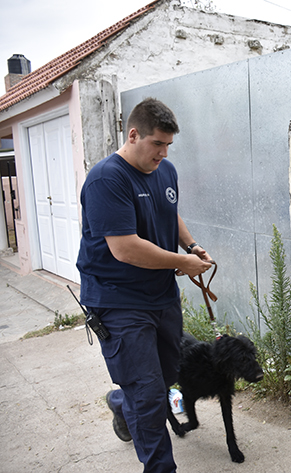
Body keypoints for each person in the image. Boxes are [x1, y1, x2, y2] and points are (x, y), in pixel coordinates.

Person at [77, 98, 213, 473]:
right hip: (118, 301)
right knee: (150, 396)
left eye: (168, 145)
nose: (164, 153)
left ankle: (123, 404)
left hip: (160, 296)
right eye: (157, 144)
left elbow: (169, 210)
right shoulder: (107, 178)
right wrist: (182, 263)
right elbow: (124, 248)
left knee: (166, 377)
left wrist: (191, 246)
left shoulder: (164, 170)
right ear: (133, 134)